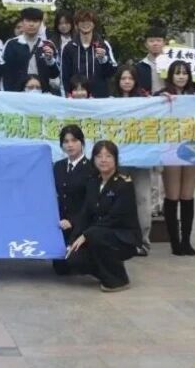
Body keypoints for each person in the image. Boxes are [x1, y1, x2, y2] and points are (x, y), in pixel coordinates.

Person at [65, 140, 141, 292]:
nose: (103, 160)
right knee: (73, 259)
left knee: (96, 236)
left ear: (115, 159)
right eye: (99, 156)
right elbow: (85, 214)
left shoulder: (124, 184)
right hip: (98, 234)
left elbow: (115, 218)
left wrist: (86, 235)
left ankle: (119, 280)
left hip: (122, 237)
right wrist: (73, 240)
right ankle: (107, 272)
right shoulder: (93, 182)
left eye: (108, 156)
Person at [158, 60, 195, 256]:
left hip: (192, 149)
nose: (181, 76)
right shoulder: (162, 95)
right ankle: (175, 242)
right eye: (177, 73)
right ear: (171, 76)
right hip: (170, 150)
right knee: (172, 196)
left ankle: (186, 241)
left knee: (187, 196)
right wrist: (159, 100)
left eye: (184, 73)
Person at [111, 65, 153, 256]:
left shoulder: (146, 102)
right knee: (119, 200)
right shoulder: (109, 102)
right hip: (119, 160)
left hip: (142, 159)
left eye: (130, 78)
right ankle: (120, 239)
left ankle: (143, 241)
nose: (127, 82)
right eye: (123, 78)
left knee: (143, 199)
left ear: (136, 81)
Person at [51, 125, 92, 276]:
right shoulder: (58, 166)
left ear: (82, 142)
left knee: (76, 263)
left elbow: (90, 203)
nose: (70, 145)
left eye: (74, 140)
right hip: (61, 225)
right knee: (60, 269)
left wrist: (72, 221)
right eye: (66, 141)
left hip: (82, 225)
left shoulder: (91, 168)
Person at [60, 9, 117, 98]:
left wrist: (104, 60)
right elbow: (65, 75)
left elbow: (112, 71)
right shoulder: (69, 47)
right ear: (77, 24)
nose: (85, 24)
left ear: (94, 24)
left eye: (89, 21)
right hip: (77, 96)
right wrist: (68, 95)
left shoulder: (103, 44)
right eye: (82, 21)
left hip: (100, 97)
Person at [1, 7, 59, 94]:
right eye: (28, 21)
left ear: (40, 23)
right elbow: (5, 72)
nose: (31, 24)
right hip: (17, 94)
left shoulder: (48, 45)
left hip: (43, 93)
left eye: (35, 21)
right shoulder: (12, 44)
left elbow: (55, 75)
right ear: (22, 22)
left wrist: (50, 60)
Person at [134, 24, 168, 94]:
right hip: (149, 100)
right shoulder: (139, 67)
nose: (155, 44)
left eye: (158, 40)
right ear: (146, 44)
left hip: (170, 99)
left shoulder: (172, 63)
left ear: (164, 43)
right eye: (151, 41)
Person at [50, 10, 76, 94]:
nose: (63, 26)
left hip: (75, 81)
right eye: (60, 23)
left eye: (66, 23)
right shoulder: (52, 42)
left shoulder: (77, 40)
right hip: (57, 82)